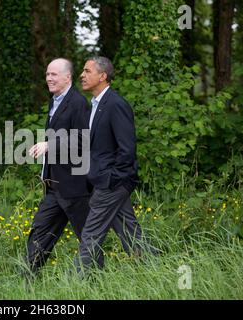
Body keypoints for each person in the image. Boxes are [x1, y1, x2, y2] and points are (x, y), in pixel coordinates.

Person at [76, 56, 155, 272]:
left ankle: (75, 284)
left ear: (102, 76)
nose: (82, 75)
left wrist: (111, 180)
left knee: (91, 233)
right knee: (130, 232)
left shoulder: (116, 104)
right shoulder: (94, 105)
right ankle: (154, 269)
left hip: (111, 183)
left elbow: (127, 149)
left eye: (87, 71)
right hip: (104, 180)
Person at [26, 58, 91, 277]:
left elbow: (83, 141)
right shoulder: (54, 101)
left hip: (75, 187)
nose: (49, 79)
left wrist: (50, 145)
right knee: (40, 231)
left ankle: (96, 282)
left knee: (88, 239)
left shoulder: (78, 103)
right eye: (47, 74)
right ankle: (26, 280)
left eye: (54, 74)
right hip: (54, 187)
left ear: (67, 77)